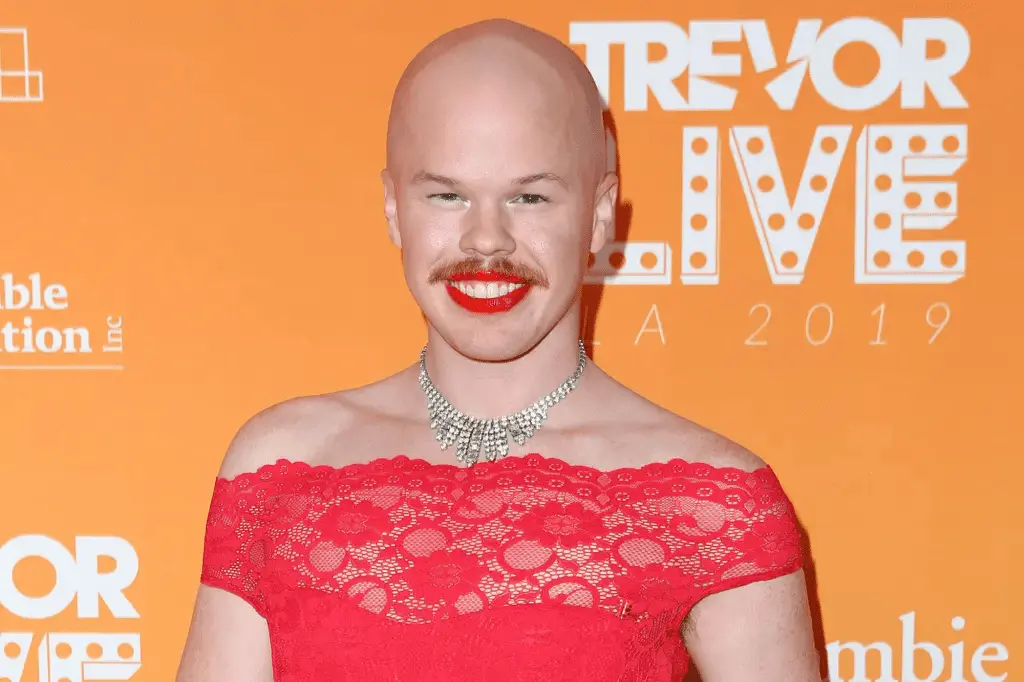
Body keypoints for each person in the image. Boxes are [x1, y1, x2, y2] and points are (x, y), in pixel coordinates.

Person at [175, 17, 820, 682]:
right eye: (447, 195)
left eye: (529, 196)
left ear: (599, 214)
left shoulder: (711, 502)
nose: (487, 239)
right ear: (394, 207)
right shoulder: (281, 467)